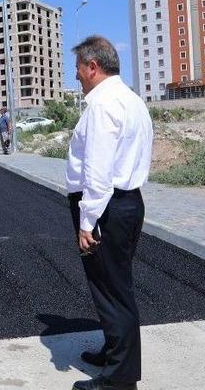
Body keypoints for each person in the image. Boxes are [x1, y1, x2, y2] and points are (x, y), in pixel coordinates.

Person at [65, 36, 153, 390]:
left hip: (106, 208)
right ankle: (114, 351)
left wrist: (87, 222)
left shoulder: (102, 106)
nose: (77, 78)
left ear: (93, 67)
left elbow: (98, 173)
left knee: (114, 291)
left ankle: (119, 380)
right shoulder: (132, 100)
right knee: (113, 285)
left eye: (78, 70)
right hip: (128, 202)